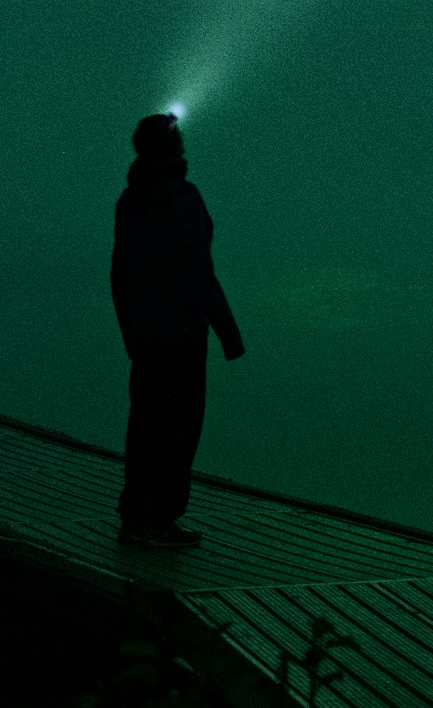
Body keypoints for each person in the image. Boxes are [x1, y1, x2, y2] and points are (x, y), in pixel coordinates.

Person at [110, 111, 244, 546]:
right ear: (174, 147)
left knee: (145, 422)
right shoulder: (181, 197)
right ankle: (161, 519)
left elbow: (119, 273)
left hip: (146, 335)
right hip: (181, 335)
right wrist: (228, 331)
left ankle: (137, 515)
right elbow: (197, 271)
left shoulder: (130, 199)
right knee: (180, 428)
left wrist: (129, 330)